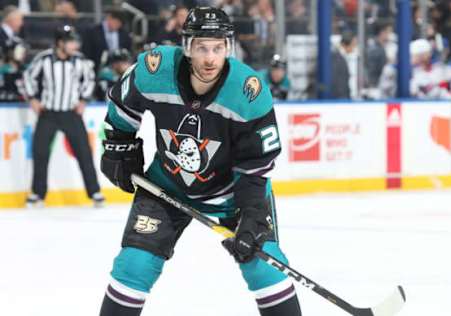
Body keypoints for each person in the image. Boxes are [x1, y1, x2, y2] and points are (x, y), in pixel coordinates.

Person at [99, 7, 302, 316]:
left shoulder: (248, 92)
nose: (210, 58)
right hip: (166, 184)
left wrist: (251, 214)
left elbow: (256, 165)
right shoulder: (156, 69)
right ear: (188, 47)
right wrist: (119, 147)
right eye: (202, 48)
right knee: (134, 265)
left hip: (231, 193)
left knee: (264, 268)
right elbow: (121, 106)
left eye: (218, 48)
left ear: (228, 48)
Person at [23, 25, 105, 208]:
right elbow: (28, 77)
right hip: (48, 113)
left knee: (84, 152)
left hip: (71, 113)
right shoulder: (44, 59)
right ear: (60, 43)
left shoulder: (79, 60)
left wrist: (83, 100)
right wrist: (33, 100)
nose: (75, 45)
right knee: (40, 153)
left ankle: (95, 192)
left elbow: (90, 79)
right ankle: (38, 194)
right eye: (71, 41)